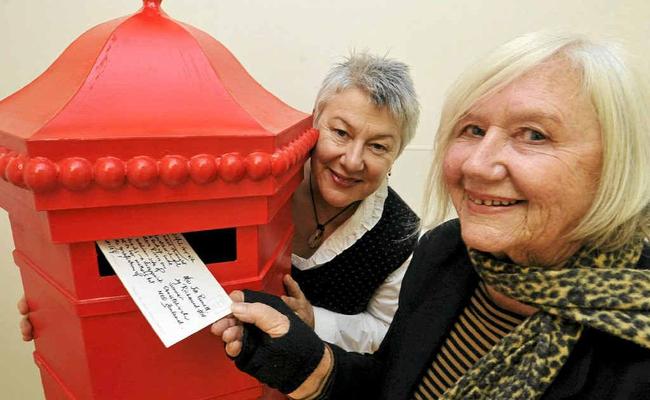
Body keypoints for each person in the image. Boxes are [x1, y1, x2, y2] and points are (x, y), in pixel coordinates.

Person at [212, 31, 650, 399]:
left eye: (533, 135)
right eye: (472, 130)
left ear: (620, 162)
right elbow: (391, 382)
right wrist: (309, 362)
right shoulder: (444, 252)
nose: (477, 165)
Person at [18, 52, 421, 354]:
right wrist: (63, 306)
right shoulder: (256, 176)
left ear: (396, 155)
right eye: (341, 132)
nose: (352, 160)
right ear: (315, 121)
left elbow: (383, 331)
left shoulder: (400, 235)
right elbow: (160, 245)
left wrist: (315, 320)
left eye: (378, 146)